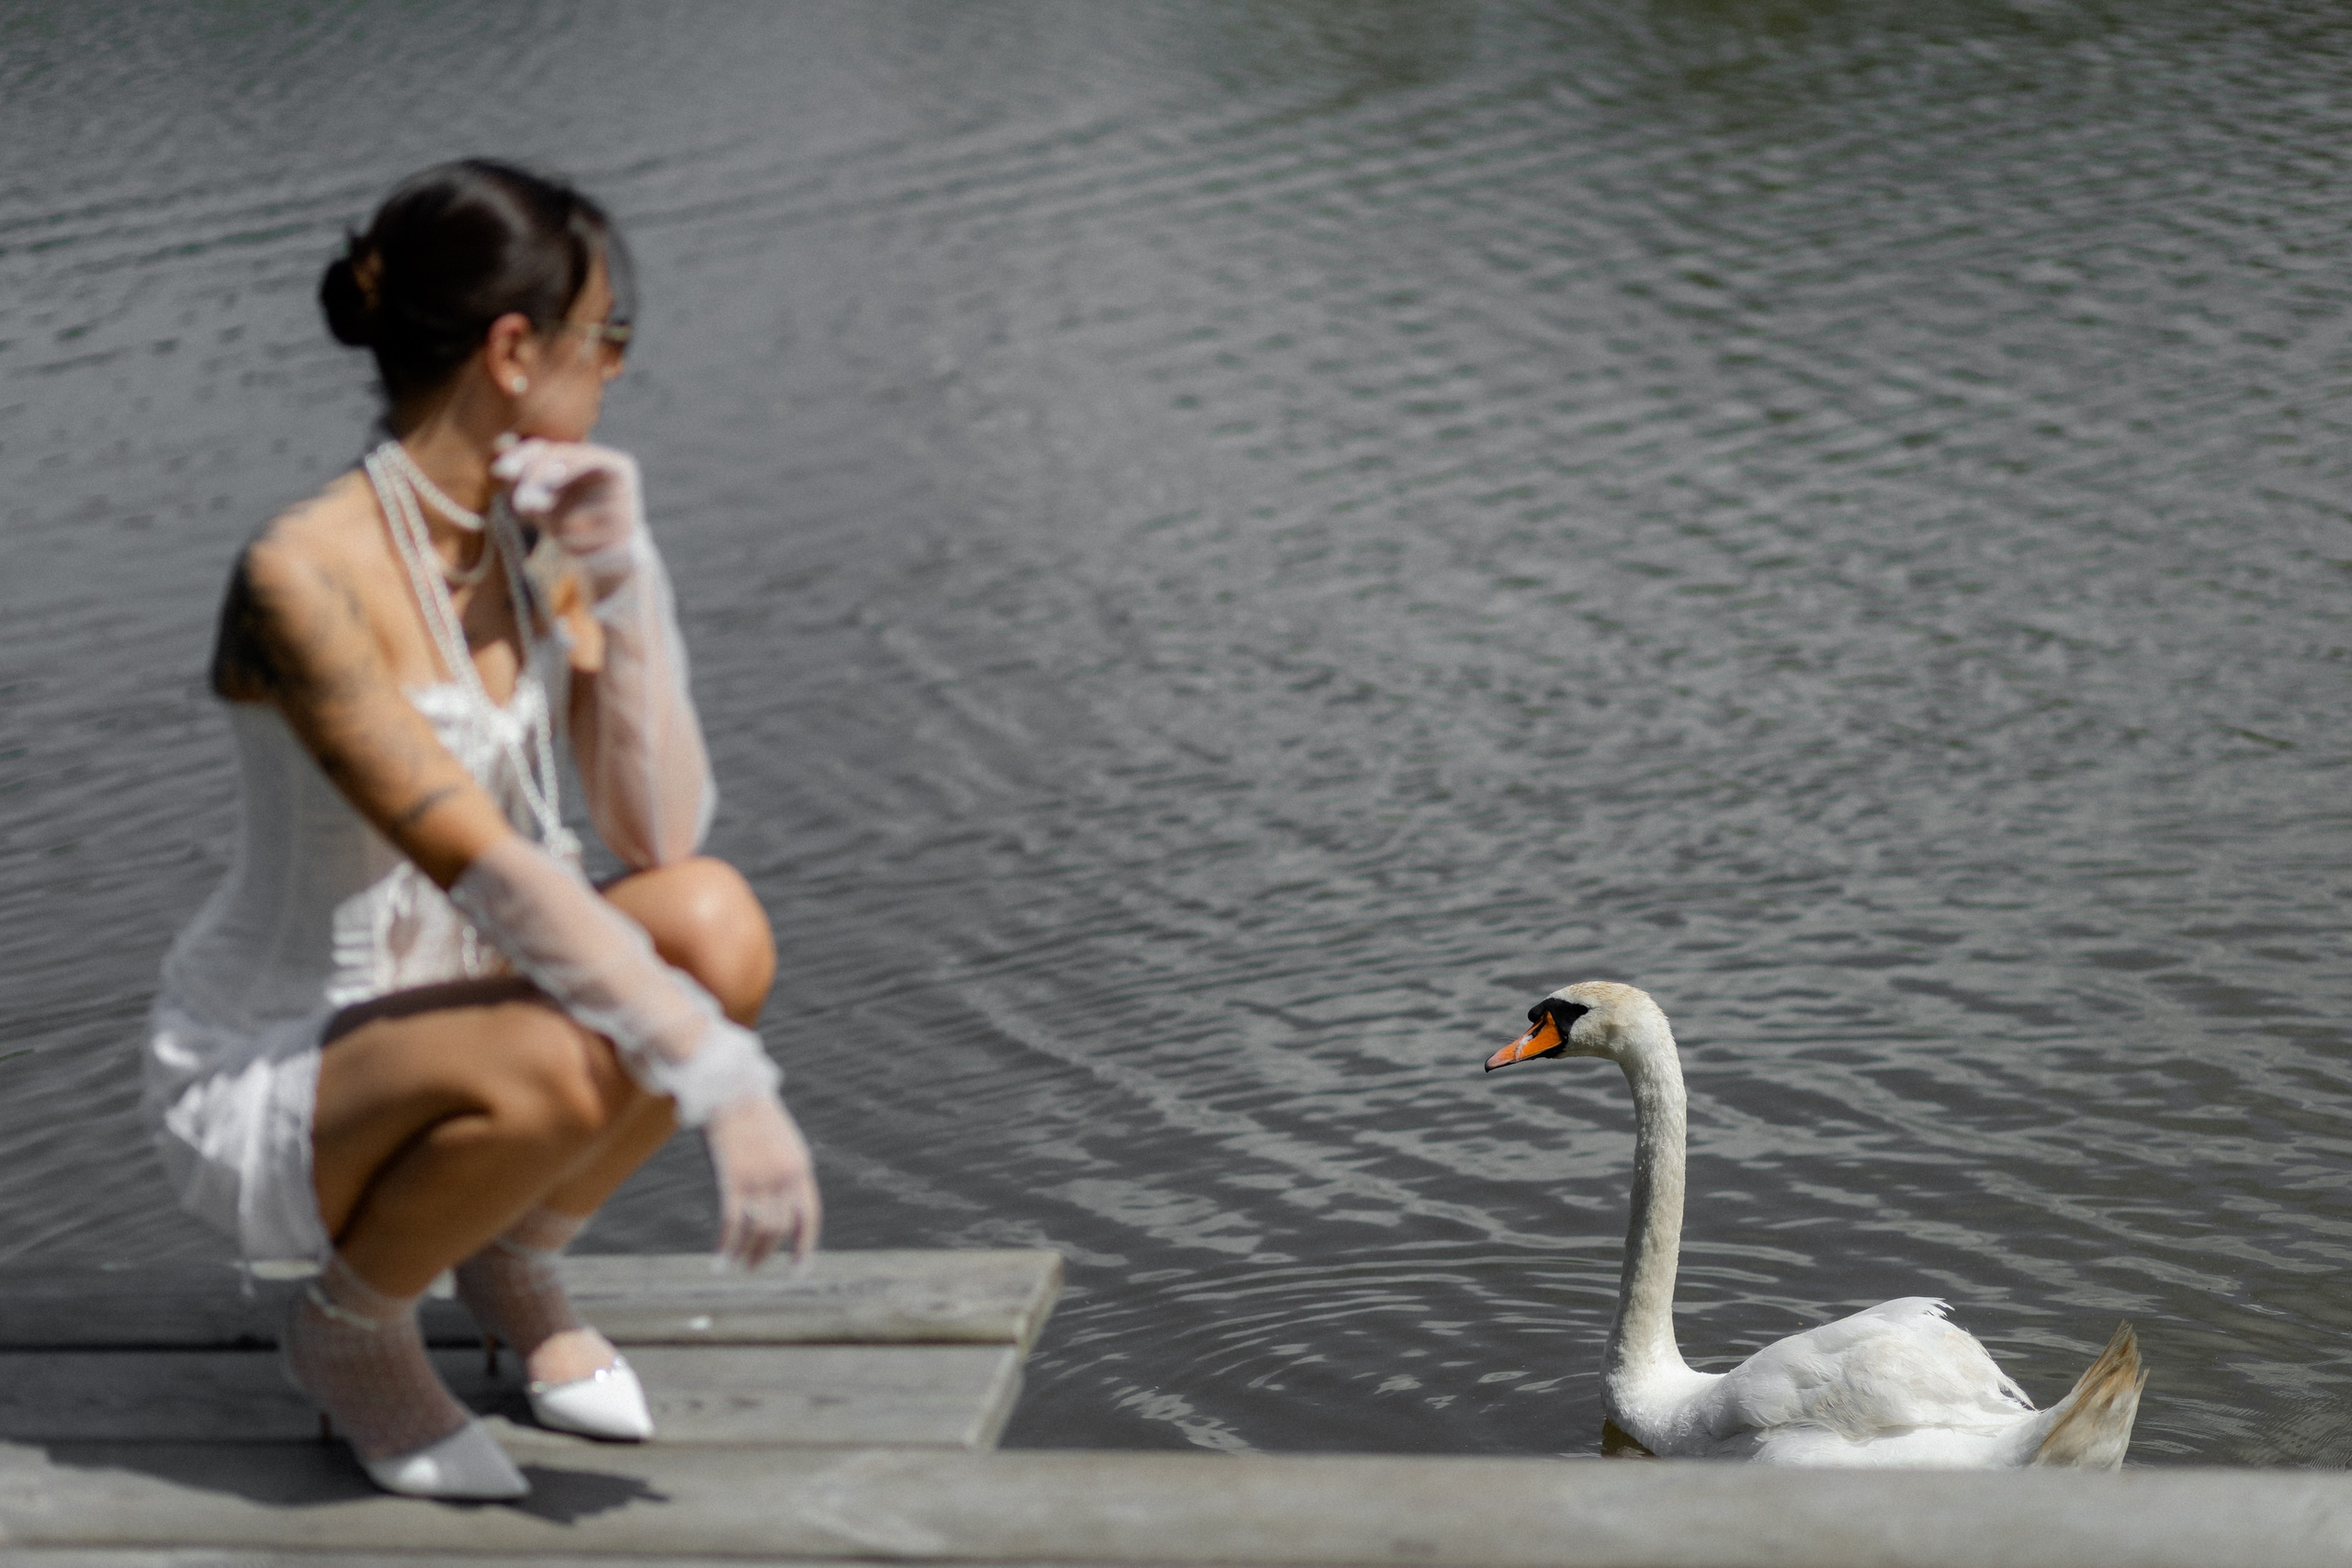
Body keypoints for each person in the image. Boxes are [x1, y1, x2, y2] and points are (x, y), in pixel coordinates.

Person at [142, 159, 821, 1500]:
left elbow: (659, 828)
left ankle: (508, 1256)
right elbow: (490, 866)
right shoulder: (302, 576)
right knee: (585, 1051)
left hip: (484, 1017)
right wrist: (726, 1082)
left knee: (711, 921)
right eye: (607, 336)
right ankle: (349, 1329)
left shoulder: (524, 541)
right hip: (287, 1062)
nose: (618, 369)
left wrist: (626, 576)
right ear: (517, 350)